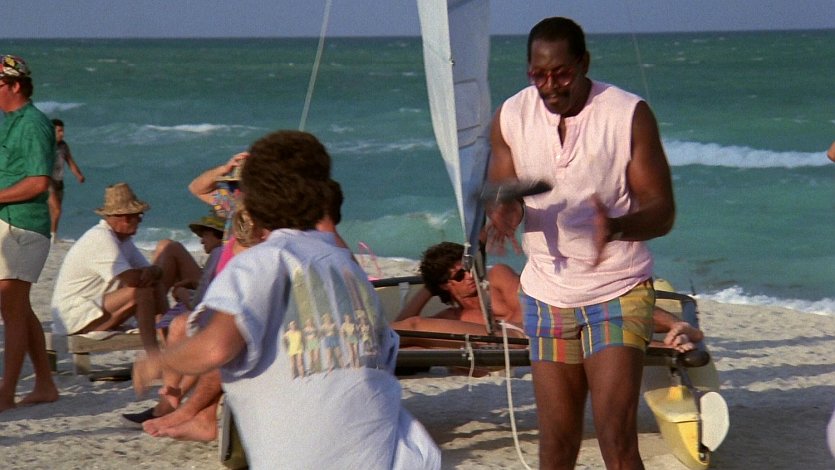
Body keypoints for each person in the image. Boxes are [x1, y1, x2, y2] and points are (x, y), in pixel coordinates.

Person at [133, 130, 440, 469]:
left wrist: (158, 362)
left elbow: (215, 348)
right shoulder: (346, 267)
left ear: (251, 201)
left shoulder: (260, 261)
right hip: (391, 453)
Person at [486, 18, 676, 469]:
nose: (550, 87)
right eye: (539, 75)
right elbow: (505, 192)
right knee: (556, 443)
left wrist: (615, 226)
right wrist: (505, 213)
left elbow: (663, 210)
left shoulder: (627, 114)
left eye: (562, 74)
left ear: (584, 63)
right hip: (545, 294)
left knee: (615, 436)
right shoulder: (511, 116)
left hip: (618, 290)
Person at [396, 242, 702, 353]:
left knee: (598, 306)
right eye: (458, 276)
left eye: (468, 269)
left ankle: (676, 326)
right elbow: (404, 326)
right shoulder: (452, 318)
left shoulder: (497, 277)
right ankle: (667, 347)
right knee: (413, 328)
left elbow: (527, 309)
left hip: (542, 323)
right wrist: (427, 287)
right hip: (515, 341)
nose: (468, 277)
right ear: (444, 287)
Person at [51, 183, 202, 355]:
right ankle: (154, 355)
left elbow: (150, 272)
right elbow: (132, 279)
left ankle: (165, 336)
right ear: (125, 218)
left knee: (153, 283)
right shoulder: (100, 238)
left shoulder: (123, 241)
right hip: (74, 316)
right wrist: (151, 273)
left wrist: (153, 272)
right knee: (141, 292)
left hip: (93, 308)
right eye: (138, 216)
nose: (140, 221)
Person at [0, 54, 59, 412]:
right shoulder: (10, 122)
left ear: (14, 85)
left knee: (11, 307)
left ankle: (6, 391)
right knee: (17, 307)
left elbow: (39, 182)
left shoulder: (34, 123)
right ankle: (45, 384)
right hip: (10, 222)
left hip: (24, 225)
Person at [48, 118, 85, 241]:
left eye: (62, 131)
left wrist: (78, 175)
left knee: (54, 211)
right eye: (59, 131)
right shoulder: (46, 145)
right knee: (57, 209)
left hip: (59, 181)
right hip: (48, 181)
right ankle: (52, 237)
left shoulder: (63, 146)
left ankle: (50, 234)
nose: (62, 134)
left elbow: (70, 162)